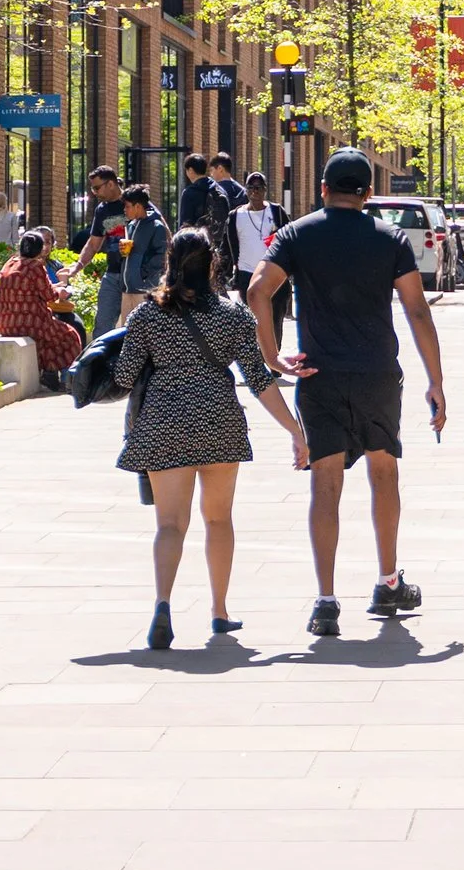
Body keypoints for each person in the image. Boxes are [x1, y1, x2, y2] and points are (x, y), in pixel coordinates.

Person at [250, 144, 446, 639]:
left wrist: (272, 357)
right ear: (369, 193)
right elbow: (417, 310)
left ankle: (326, 601)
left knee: (325, 483)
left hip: (320, 377)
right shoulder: (389, 237)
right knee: (384, 471)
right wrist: (436, 381)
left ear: (323, 189)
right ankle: (388, 582)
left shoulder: (297, 234)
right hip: (377, 374)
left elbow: (257, 290)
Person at [116, 225, 306, 649]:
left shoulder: (147, 315)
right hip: (219, 420)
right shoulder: (232, 316)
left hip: (164, 422)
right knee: (218, 519)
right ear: (212, 264)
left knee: (170, 524)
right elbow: (258, 379)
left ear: (170, 262)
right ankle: (219, 611)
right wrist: (295, 430)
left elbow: (125, 376)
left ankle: (163, 606)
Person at [0, 228, 85, 384]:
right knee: (70, 335)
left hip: (5, 324)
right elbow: (49, 295)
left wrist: (54, 288)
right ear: (39, 249)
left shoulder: (9, 264)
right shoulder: (35, 266)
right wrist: (60, 290)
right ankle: (67, 378)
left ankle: (49, 374)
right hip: (30, 323)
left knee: (50, 336)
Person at [74, 168, 129, 335]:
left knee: (134, 328)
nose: (94, 193)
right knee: (102, 327)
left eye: (97, 188)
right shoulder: (102, 209)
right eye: (92, 189)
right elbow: (93, 244)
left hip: (138, 274)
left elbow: (161, 230)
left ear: (110, 184)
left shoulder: (134, 201)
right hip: (113, 274)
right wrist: (78, 266)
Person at [117, 181, 168, 312]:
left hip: (144, 291)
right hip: (127, 289)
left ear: (138, 206)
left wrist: (143, 275)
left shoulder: (156, 226)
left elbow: (160, 256)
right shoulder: (130, 226)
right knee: (126, 325)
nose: (124, 210)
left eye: (127, 206)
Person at [233, 171, 287, 283]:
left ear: (265, 190)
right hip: (245, 272)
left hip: (270, 271)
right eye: (251, 187)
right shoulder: (236, 215)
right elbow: (228, 246)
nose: (255, 191)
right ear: (246, 190)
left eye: (259, 187)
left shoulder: (276, 211)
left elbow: (289, 237)